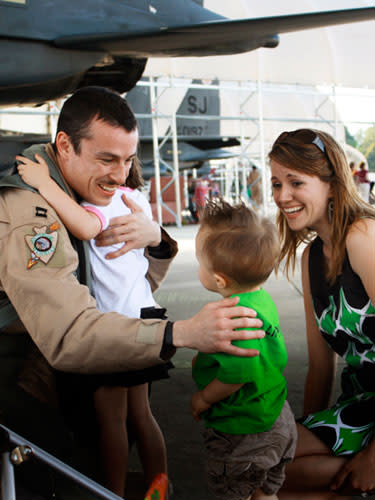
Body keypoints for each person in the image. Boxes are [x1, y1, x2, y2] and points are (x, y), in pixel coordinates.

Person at [0, 86, 265, 499]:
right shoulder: (29, 208)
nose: (121, 175)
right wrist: (178, 334)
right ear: (64, 146)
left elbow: (124, 284)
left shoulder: (88, 189)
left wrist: (154, 239)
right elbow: (68, 333)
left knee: (116, 429)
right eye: (106, 159)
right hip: (20, 373)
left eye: (127, 160)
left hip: (92, 336)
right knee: (63, 470)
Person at [16, 130, 172, 496]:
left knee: (111, 423)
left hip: (114, 325)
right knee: (142, 416)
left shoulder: (100, 205)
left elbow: (85, 226)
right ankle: (161, 484)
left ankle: (113, 492)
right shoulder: (135, 200)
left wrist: (43, 185)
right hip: (144, 314)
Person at [268, 128, 375, 499]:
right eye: (276, 183)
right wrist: (303, 434)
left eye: (295, 182)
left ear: (331, 183)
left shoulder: (362, 238)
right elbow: (319, 366)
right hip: (362, 404)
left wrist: (373, 458)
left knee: (274, 478)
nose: (283, 196)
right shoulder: (311, 258)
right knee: (268, 466)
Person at [191, 199, 297, 500]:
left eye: (201, 262)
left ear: (219, 279)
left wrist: (203, 398)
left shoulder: (234, 315)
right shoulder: (260, 299)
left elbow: (239, 372)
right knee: (263, 493)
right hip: (276, 417)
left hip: (244, 432)